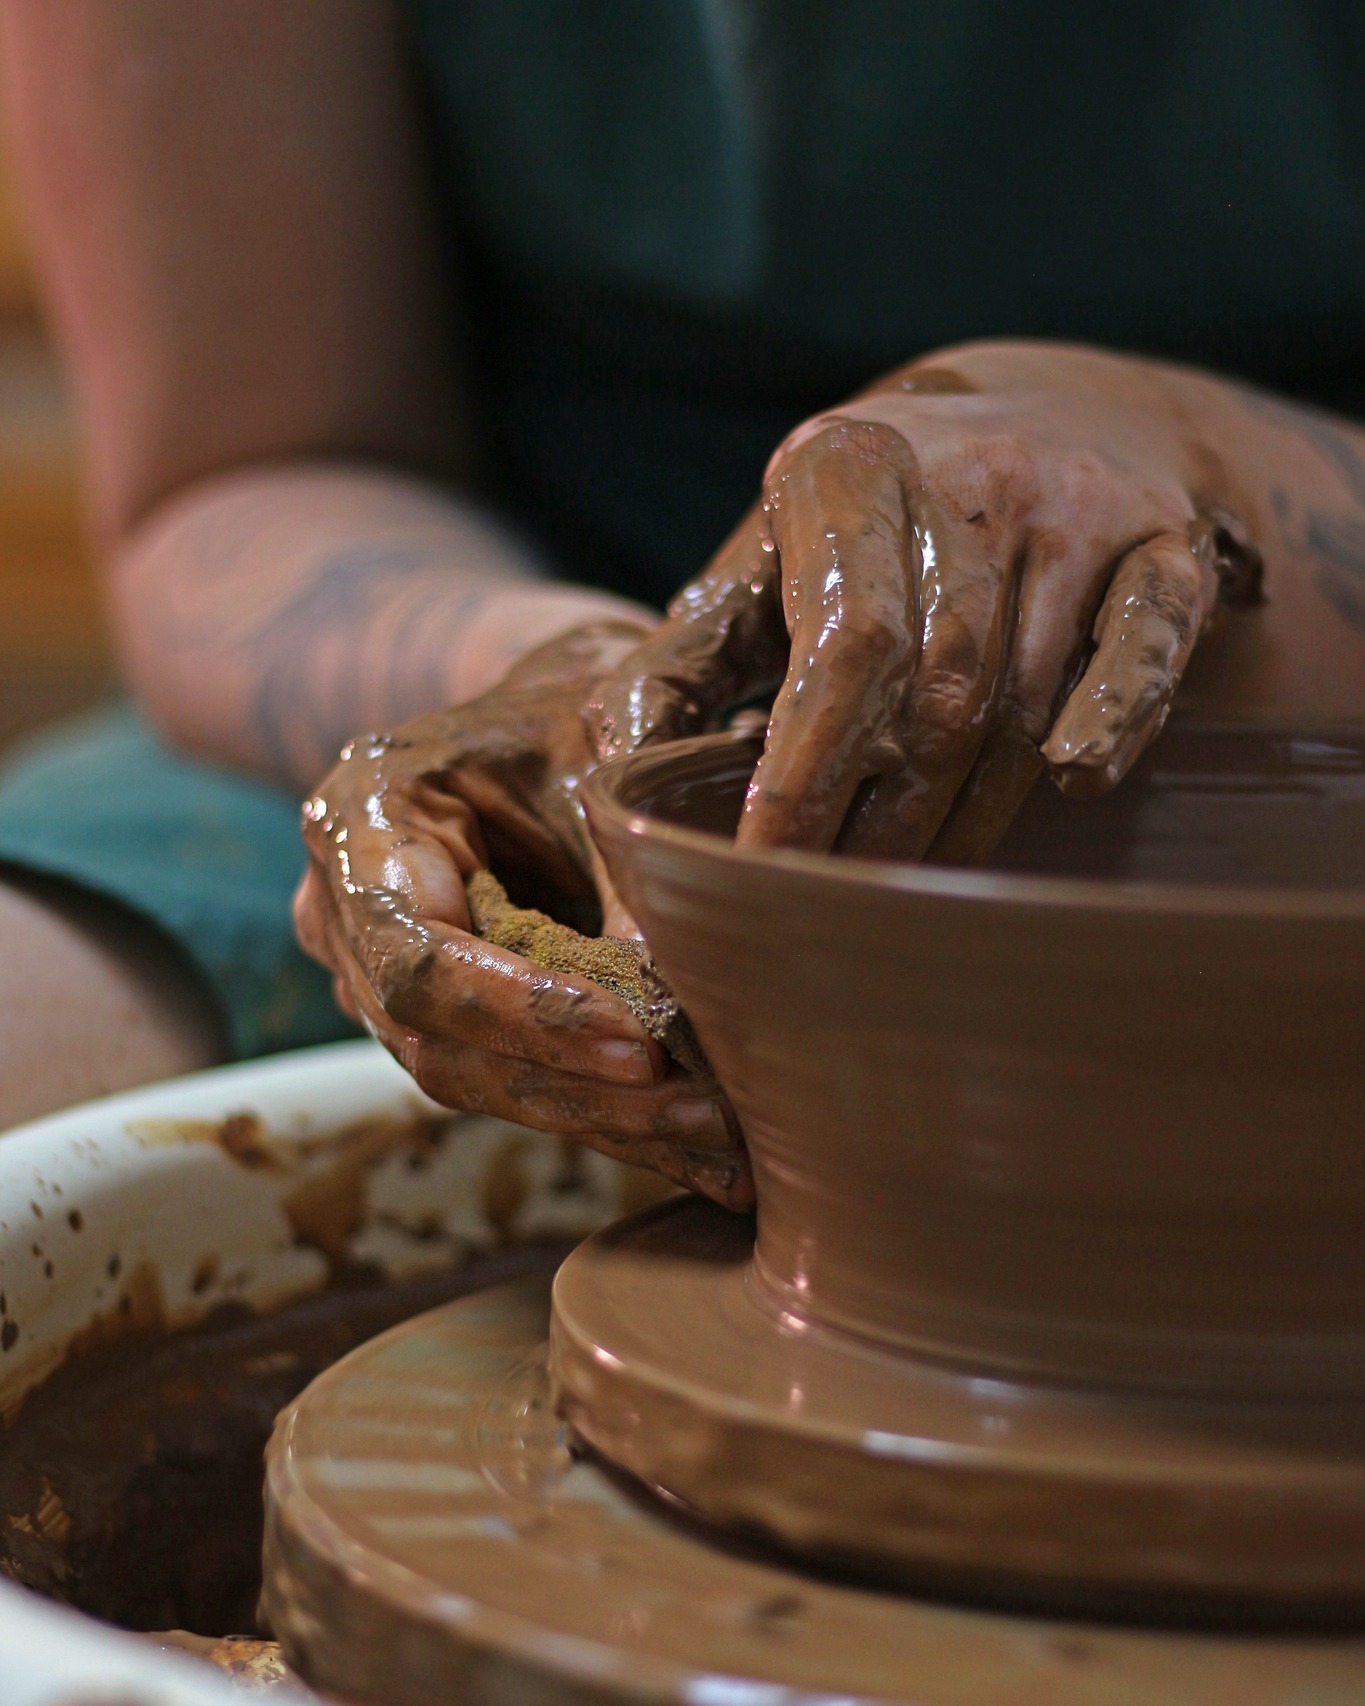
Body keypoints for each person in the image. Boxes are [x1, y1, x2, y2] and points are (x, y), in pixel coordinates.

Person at [0, 3, 1360, 1195]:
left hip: (1289, 659)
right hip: (522, 618)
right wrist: (573, 677)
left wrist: (1200, 459)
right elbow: (260, 467)